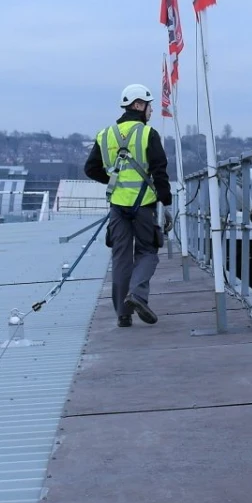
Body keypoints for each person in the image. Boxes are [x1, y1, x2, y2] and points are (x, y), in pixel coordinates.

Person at [84, 83, 174, 327]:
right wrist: (165, 201)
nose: (151, 111)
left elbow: (90, 168)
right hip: (143, 205)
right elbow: (159, 170)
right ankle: (137, 294)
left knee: (121, 257)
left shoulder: (105, 135)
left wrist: (114, 179)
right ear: (137, 105)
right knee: (148, 252)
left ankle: (123, 315)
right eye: (148, 105)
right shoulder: (147, 134)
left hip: (117, 207)